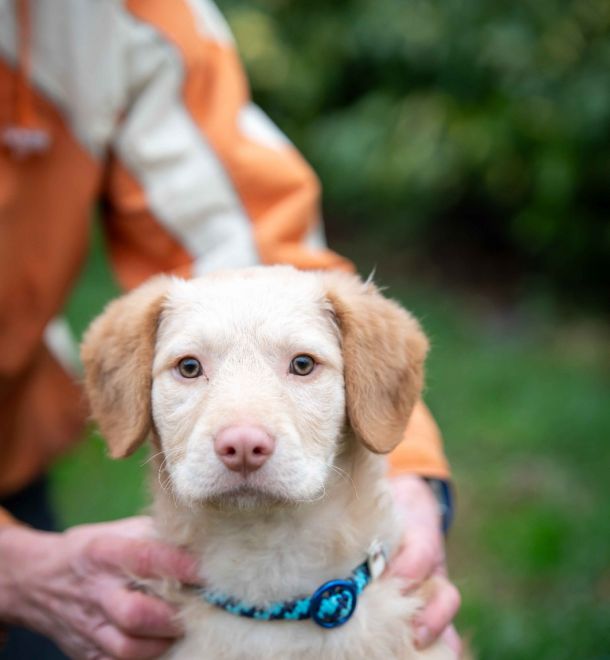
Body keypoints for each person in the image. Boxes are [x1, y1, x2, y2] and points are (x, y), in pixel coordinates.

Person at [0, 0, 461, 657]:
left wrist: (408, 475)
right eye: (188, 367)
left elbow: (244, 242)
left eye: (302, 364)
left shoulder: (125, 12)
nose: (243, 434)